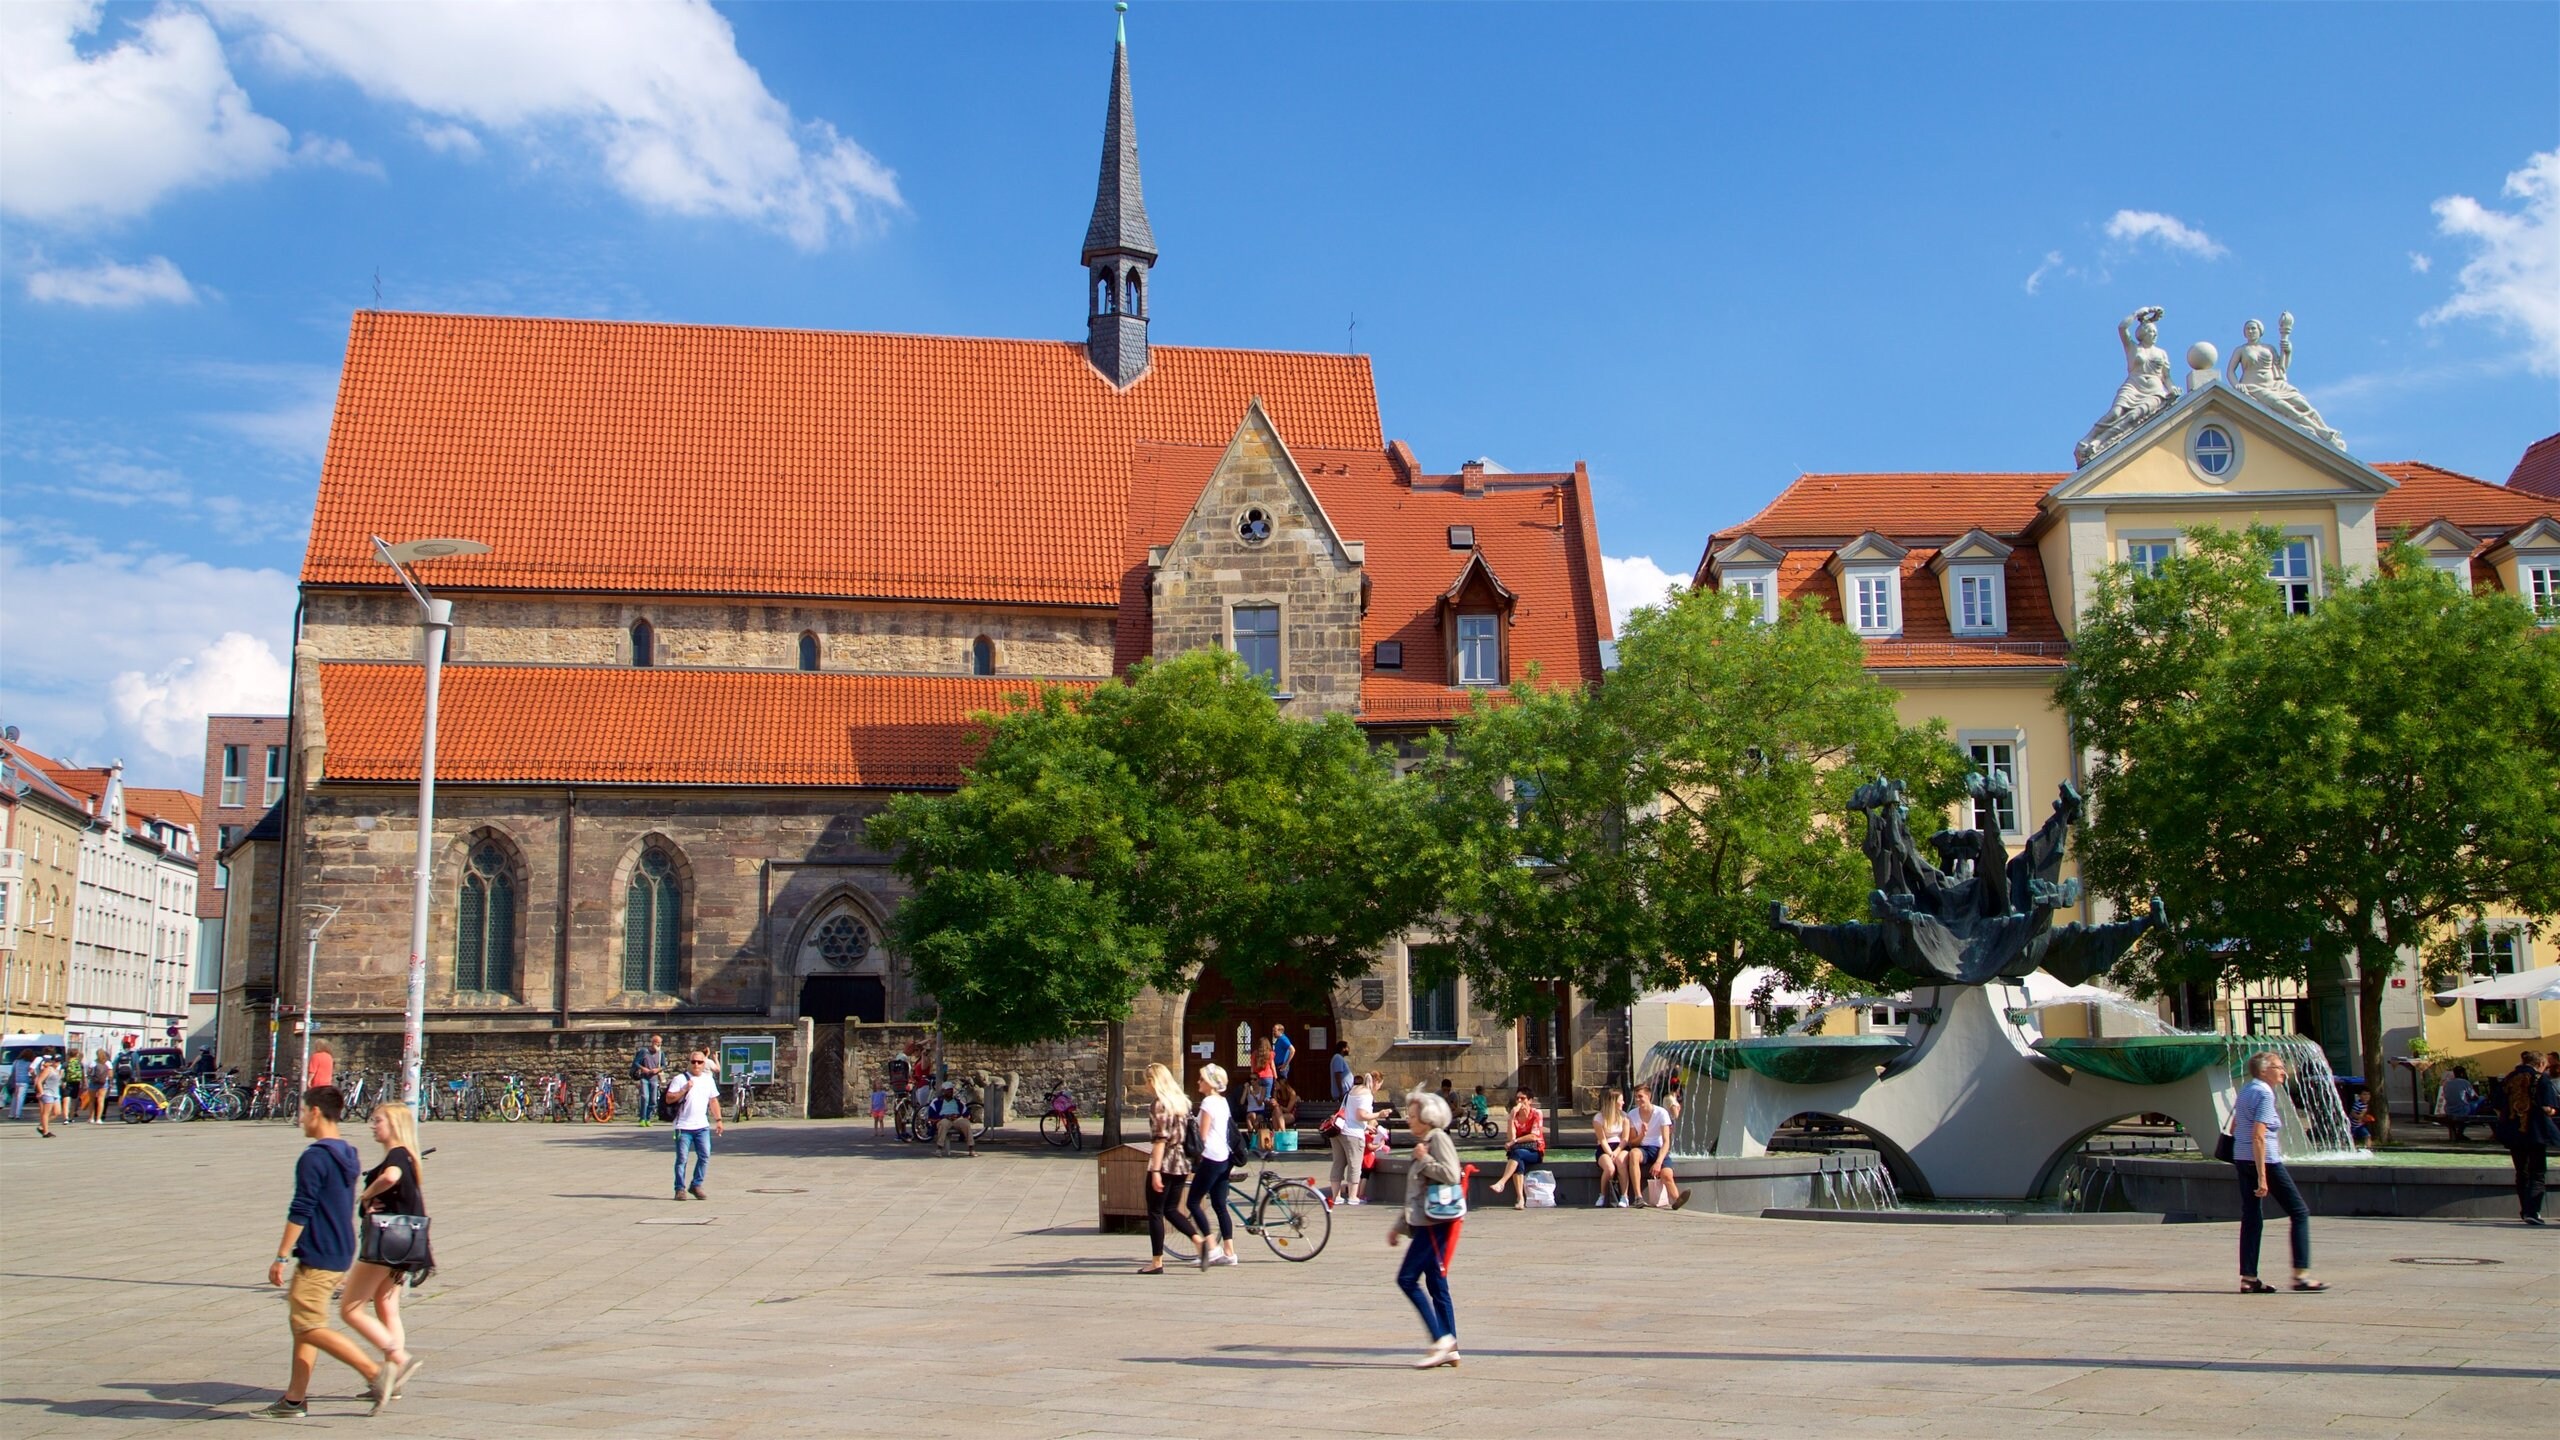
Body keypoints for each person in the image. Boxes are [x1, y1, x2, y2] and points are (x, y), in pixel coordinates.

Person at [259, 1085, 383, 1419]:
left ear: (315, 1112)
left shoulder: (314, 1157)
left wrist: (281, 1255)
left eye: (302, 1112)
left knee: (309, 1325)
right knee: (304, 1323)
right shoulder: (348, 1152)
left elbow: (301, 1208)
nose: (300, 1119)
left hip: (320, 1251)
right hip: (340, 1248)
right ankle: (295, 1398)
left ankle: (376, 1374)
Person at [341, 1102, 431, 1412]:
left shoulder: (396, 1156)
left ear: (393, 1124)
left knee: (350, 1308)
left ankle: (398, 1360)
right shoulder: (409, 1155)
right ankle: (393, 1382)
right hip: (403, 1243)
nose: (372, 1125)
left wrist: (366, 1195)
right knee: (386, 1306)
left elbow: (390, 1177)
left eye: (377, 1120)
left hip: (385, 1243)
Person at [2230, 1051, 2324, 1293]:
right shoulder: (2264, 1093)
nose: (2284, 1071)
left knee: (2252, 1217)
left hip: (2242, 1158)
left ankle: (2249, 1278)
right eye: (2279, 1067)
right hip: (2265, 1162)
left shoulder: (2247, 1089)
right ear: (2264, 1071)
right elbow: (2258, 1136)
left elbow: (2235, 1125)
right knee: (2299, 1211)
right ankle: (2301, 1275)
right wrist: (2262, 1176)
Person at [1387, 1086, 1465, 1369]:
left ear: (1427, 1117)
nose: (1408, 1119)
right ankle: (1451, 1345)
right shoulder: (1424, 1141)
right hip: (1425, 1222)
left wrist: (1425, 1159)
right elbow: (1415, 1194)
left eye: (1412, 1115)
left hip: (1435, 1223)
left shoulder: (1438, 1139)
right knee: (1436, 1282)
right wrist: (1398, 1227)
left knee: (1406, 1279)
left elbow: (1451, 1174)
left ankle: (1440, 1339)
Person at [1138, 1062, 1203, 1274]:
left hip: (1165, 1162)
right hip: (1181, 1162)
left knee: (1155, 1212)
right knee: (1172, 1209)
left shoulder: (1159, 1104)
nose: (1145, 1086)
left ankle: (1157, 1262)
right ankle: (1198, 1240)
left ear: (1153, 1081)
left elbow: (1160, 1140)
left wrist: (1155, 1171)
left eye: (1146, 1081)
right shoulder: (1182, 1103)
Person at [2494, 1051, 2559, 1226]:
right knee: (2537, 1172)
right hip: (2536, 1131)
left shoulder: (2509, 1078)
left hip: (2513, 1131)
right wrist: (2552, 1112)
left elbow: (2497, 1104)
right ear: (2540, 1063)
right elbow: (2548, 1107)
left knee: (2521, 1172)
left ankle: (2525, 1210)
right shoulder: (2540, 1079)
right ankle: (2532, 1211)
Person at [1185, 1063, 1239, 1267]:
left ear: (1209, 1083)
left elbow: (1203, 1136)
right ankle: (1229, 1252)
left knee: (1192, 1202)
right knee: (1219, 1205)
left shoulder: (1208, 1103)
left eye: (1201, 1079)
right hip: (1224, 1157)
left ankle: (1212, 1247)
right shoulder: (1223, 1102)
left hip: (1210, 1157)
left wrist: (1191, 1155)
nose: (1198, 1082)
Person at [665, 1050, 723, 1201]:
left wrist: (718, 1120)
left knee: (704, 1156)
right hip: (683, 1126)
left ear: (705, 1064)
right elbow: (669, 1098)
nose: (696, 1065)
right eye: (693, 1062)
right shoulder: (680, 1079)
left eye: (699, 1062)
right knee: (682, 1159)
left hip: (702, 1126)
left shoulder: (708, 1080)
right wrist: (684, 1089)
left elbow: (713, 1101)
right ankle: (679, 1189)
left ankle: (696, 1184)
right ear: (689, 1063)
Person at [1632, 1084, 1689, 1210]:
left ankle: (1677, 1200)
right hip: (1643, 1149)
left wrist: (1658, 1162)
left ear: (1649, 1096)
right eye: (1635, 1097)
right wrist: (1642, 1134)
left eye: (1640, 1096)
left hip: (1659, 1149)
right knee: (1634, 1154)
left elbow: (1666, 1142)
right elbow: (1633, 1143)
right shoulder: (1632, 1114)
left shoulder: (1661, 1113)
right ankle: (1638, 1197)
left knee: (1667, 1175)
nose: (1637, 1100)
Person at [1486, 1090, 1545, 1208]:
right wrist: (1511, 1118)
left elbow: (1534, 1136)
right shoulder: (1516, 1116)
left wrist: (1515, 1141)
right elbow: (1510, 1137)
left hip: (1535, 1151)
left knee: (1516, 1153)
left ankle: (1502, 1182)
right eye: (1517, 1098)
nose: (1519, 1101)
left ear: (1530, 1101)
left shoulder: (1536, 1113)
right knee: (1518, 1159)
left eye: (1523, 1098)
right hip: (1519, 1151)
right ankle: (1520, 1198)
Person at [1329, 1070, 1376, 1207]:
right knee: (1355, 1164)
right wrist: (1380, 1113)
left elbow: (1347, 1114)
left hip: (1338, 1131)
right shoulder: (1367, 1095)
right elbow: (1361, 1115)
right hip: (1353, 1134)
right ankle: (1353, 1197)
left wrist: (1366, 1127)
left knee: (1338, 1163)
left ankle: (1336, 1197)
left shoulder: (1349, 1093)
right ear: (1375, 1084)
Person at [1591, 1088, 1634, 1208]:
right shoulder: (1598, 1118)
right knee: (1610, 1168)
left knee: (1621, 1162)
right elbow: (1603, 1139)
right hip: (1604, 1148)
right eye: (1621, 1100)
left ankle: (1624, 1196)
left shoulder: (1625, 1117)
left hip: (1621, 1147)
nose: (1623, 1103)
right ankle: (1602, 1194)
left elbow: (1625, 1138)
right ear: (1613, 1102)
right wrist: (1610, 1153)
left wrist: (1617, 1151)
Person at [933, 1082, 976, 1156]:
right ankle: (939, 1149)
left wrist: (958, 1116)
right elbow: (931, 1117)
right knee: (943, 1123)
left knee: (966, 1123)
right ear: (943, 1091)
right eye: (948, 1090)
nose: (950, 1092)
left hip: (957, 1119)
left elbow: (967, 1115)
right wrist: (945, 1116)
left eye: (951, 1090)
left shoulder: (958, 1102)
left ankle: (971, 1148)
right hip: (943, 1119)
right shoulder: (936, 1102)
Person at [631, 1034, 665, 1128]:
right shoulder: (644, 1052)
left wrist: (657, 1070)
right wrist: (643, 1068)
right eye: (657, 1042)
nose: (658, 1044)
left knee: (653, 1100)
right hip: (644, 1078)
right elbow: (636, 1063)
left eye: (660, 1043)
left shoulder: (661, 1053)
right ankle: (642, 1118)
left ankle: (648, 1118)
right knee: (645, 1098)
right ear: (652, 1042)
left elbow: (663, 1065)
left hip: (654, 1079)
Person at [2438, 1066, 2478, 1142]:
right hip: (2462, 1110)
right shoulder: (2465, 1082)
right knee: (2481, 1100)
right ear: (2463, 1074)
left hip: (2449, 1110)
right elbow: (2474, 1097)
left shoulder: (2447, 1084)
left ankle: (2458, 1133)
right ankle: (2460, 1133)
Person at [34, 1054, 62, 1137]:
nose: (57, 1063)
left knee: (57, 1112)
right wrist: (41, 1092)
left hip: (56, 1093)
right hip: (48, 1093)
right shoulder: (48, 1070)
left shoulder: (57, 1070)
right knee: (46, 1113)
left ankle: (42, 1125)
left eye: (58, 1061)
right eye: (55, 1061)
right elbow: (39, 1081)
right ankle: (45, 1132)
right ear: (52, 1061)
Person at [84, 1050, 111, 1124]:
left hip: (93, 1082)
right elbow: (110, 1074)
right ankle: (99, 1119)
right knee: (101, 1100)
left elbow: (88, 1073)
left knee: (92, 1100)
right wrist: (110, 1082)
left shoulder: (93, 1062)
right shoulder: (108, 1063)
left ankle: (91, 1118)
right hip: (103, 1083)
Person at [1270, 1025, 1294, 1098]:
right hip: (1278, 1065)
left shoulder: (1283, 1039)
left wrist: (1286, 1064)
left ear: (1280, 1031)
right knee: (1278, 1084)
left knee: (1283, 1084)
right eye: (1273, 1030)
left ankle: (1287, 1099)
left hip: (1282, 1066)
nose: (1273, 1032)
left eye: (1275, 1031)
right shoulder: (1279, 1040)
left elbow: (1292, 1050)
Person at [7, 1049, 28, 1121]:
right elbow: (31, 1071)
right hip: (24, 1081)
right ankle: (17, 1114)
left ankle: (11, 1114)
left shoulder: (16, 1062)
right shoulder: (29, 1063)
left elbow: (13, 1072)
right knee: (20, 1098)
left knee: (14, 1098)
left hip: (16, 1081)